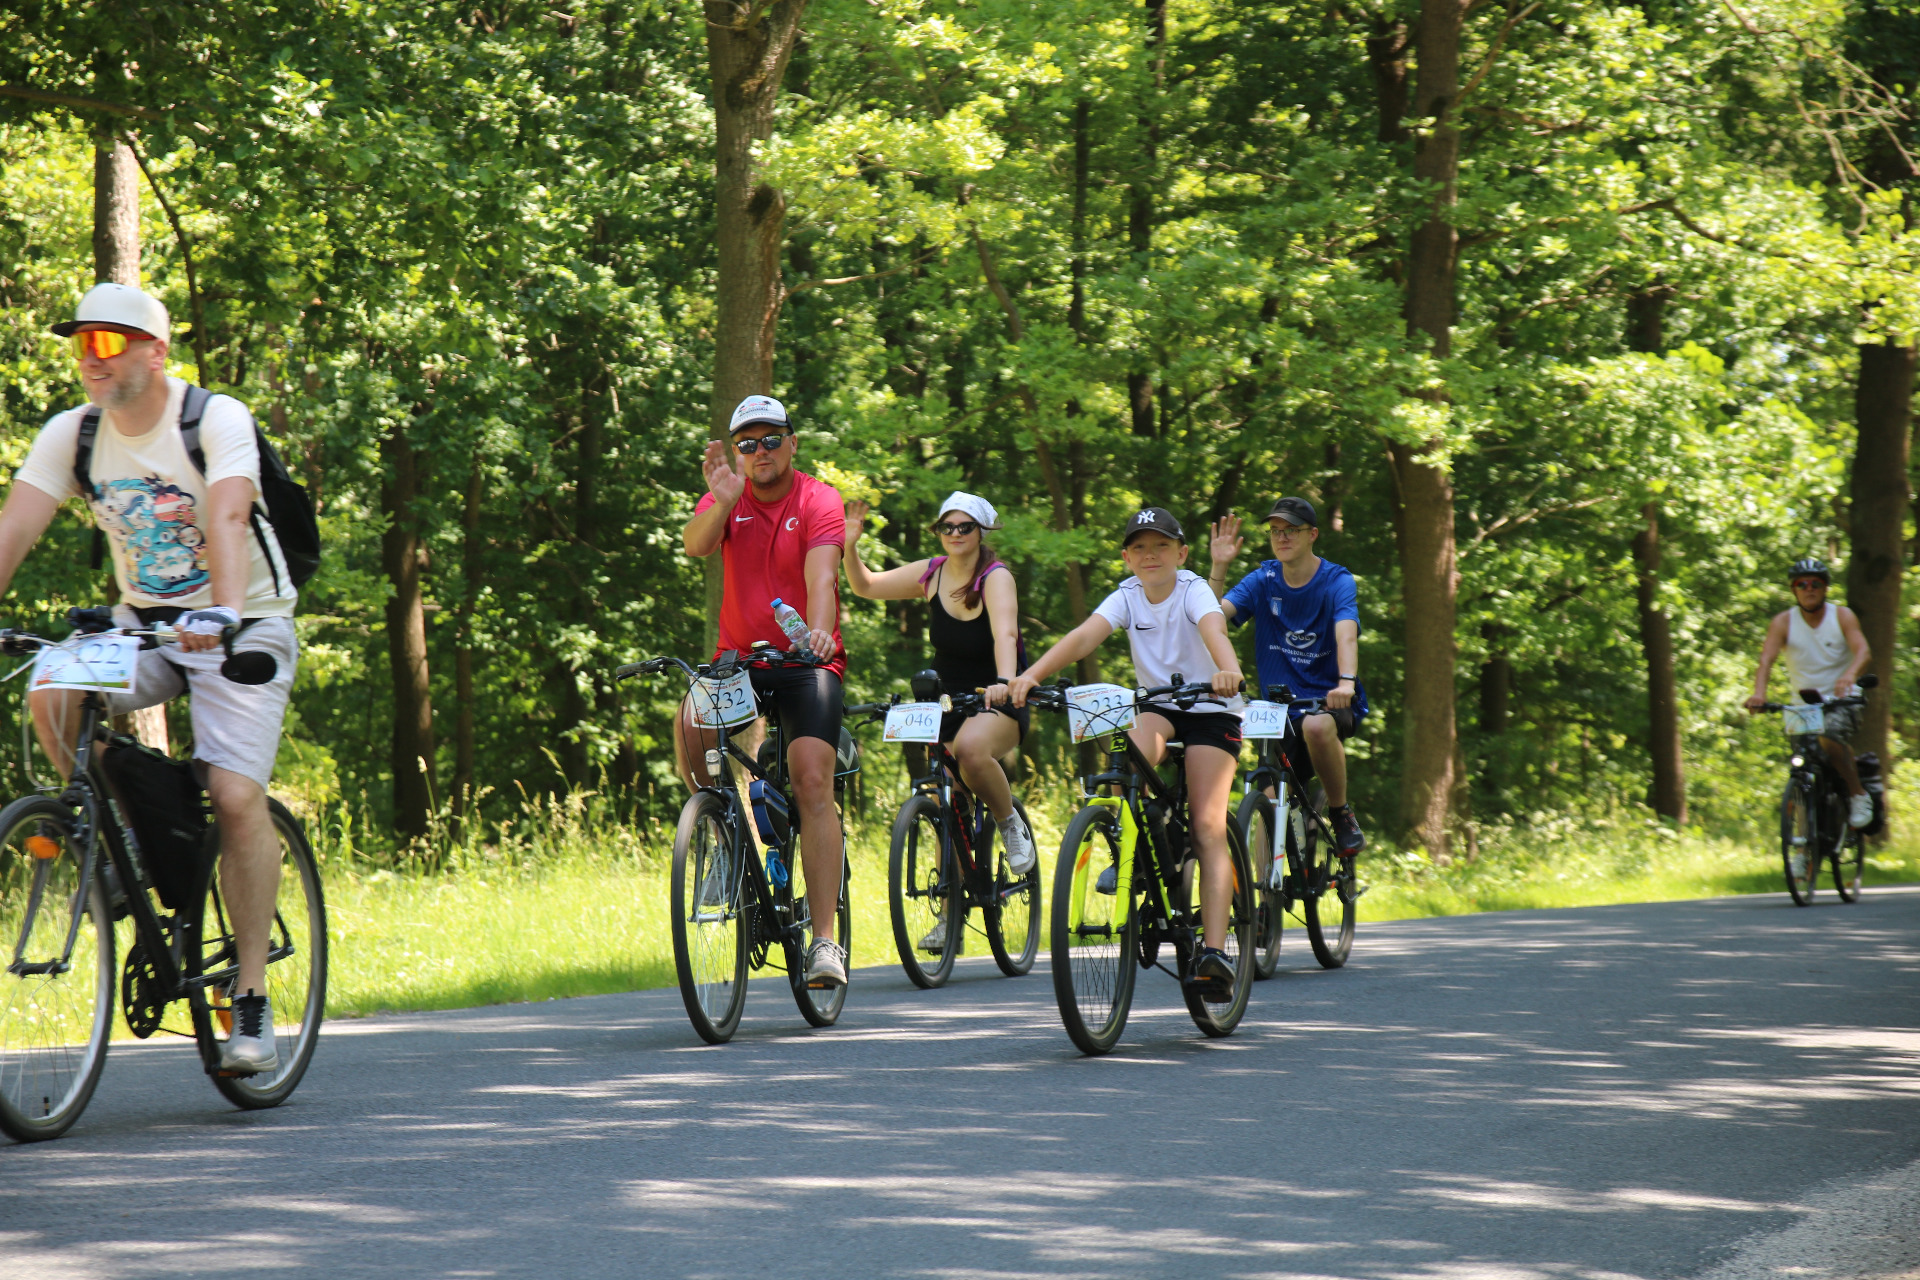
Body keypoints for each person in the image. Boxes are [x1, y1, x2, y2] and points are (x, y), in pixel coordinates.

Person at [0, 283, 299, 1073]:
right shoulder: (74, 434)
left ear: (155, 352)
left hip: (245, 622)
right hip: (142, 625)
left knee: (234, 795)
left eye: (106, 342)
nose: (90, 359)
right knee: (50, 693)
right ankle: (122, 845)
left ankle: (251, 998)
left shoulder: (214, 419)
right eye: (81, 344)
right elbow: (15, 527)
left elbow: (227, 514)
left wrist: (223, 612)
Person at [1007, 507, 1247, 998]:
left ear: (1181, 553)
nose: (1150, 555)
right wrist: (1030, 676)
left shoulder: (1193, 590)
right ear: (1126, 557)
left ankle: (1215, 953)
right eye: (1139, 547)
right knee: (1123, 762)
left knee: (1207, 827)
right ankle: (1139, 853)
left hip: (1212, 709)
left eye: (1161, 545)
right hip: (1160, 706)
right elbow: (1083, 637)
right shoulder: (1127, 595)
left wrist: (1229, 671)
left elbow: (1213, 630)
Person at [682, 394, 850, 990]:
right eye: (747, 443)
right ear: (737, 452)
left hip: (807, 661)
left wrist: (820, 632)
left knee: (811, 781)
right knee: (692, 723)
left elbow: (821, 574)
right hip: (741, 661)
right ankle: (722, 845)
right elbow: (695, 544)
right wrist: (724, 502)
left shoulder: (818, 499)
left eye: (771, 439)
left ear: (792, 443)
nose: (760, 452)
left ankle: (825, 942)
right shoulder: (727, 494)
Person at [842, 491, 1036, 950]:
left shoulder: (995, 577)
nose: (954, 534)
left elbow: (1006, 634)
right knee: (944, 800)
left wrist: (1003, 681)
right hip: (946, 702)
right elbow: (865, 586)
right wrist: (850, 547)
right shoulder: (931, 574)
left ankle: (1009, 822)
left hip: (996, 697)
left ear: (981, 531)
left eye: (964, 526)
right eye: (946, 527)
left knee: (970, 751)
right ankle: (949, 919)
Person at [1207, 496, 1367, 855]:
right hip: (1277, 711)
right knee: (1267, 801)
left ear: (1312, 534)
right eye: (1275, 531)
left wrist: (1346, 682)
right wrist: (1219, 567)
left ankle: (1341, 813)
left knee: (1316, 727)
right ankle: (1265, 889)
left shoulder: (1336, 580)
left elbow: (1346, 634)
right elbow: (1210, 619)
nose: (1281, 537)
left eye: (1291, 530)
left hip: (1326, 702)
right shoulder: (1262, 580)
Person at [1745, 558, 1873, 854]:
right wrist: (1759, 694)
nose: (1809, 589)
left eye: (1815, 583)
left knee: (1829, 736)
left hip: (1842, 701)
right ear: (1794, 590)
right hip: (1803, 708)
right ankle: (1803, 855)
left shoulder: (1842, 616)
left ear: (1825, 588)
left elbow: (1863, 651)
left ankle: (1857, 794)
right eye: (1801, 584)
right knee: (1802, 773)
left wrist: (1850, 675)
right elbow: (1766, 660)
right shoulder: (1783, 622)